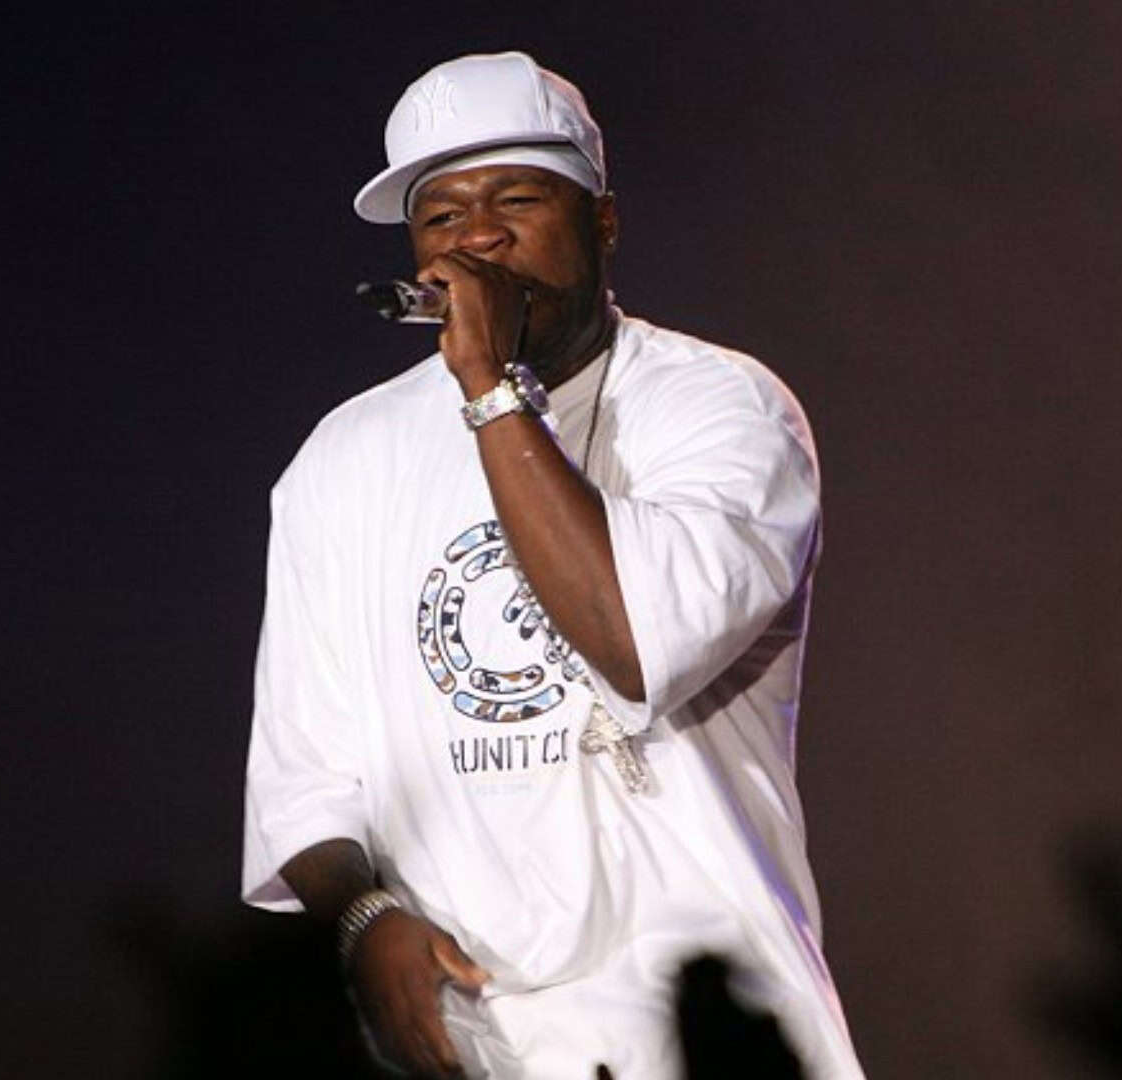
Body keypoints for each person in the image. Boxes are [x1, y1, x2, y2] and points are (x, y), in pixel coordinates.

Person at [241, 51, 867, 1079]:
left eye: (517, 200)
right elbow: (305, 784)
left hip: (702, 1030)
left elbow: (631, 641)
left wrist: (488, 386)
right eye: (441, 216)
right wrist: (364, 921)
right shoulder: (342, 461)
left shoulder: (722, 407)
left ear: (603, 222)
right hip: (474, 1041)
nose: (477, 236)